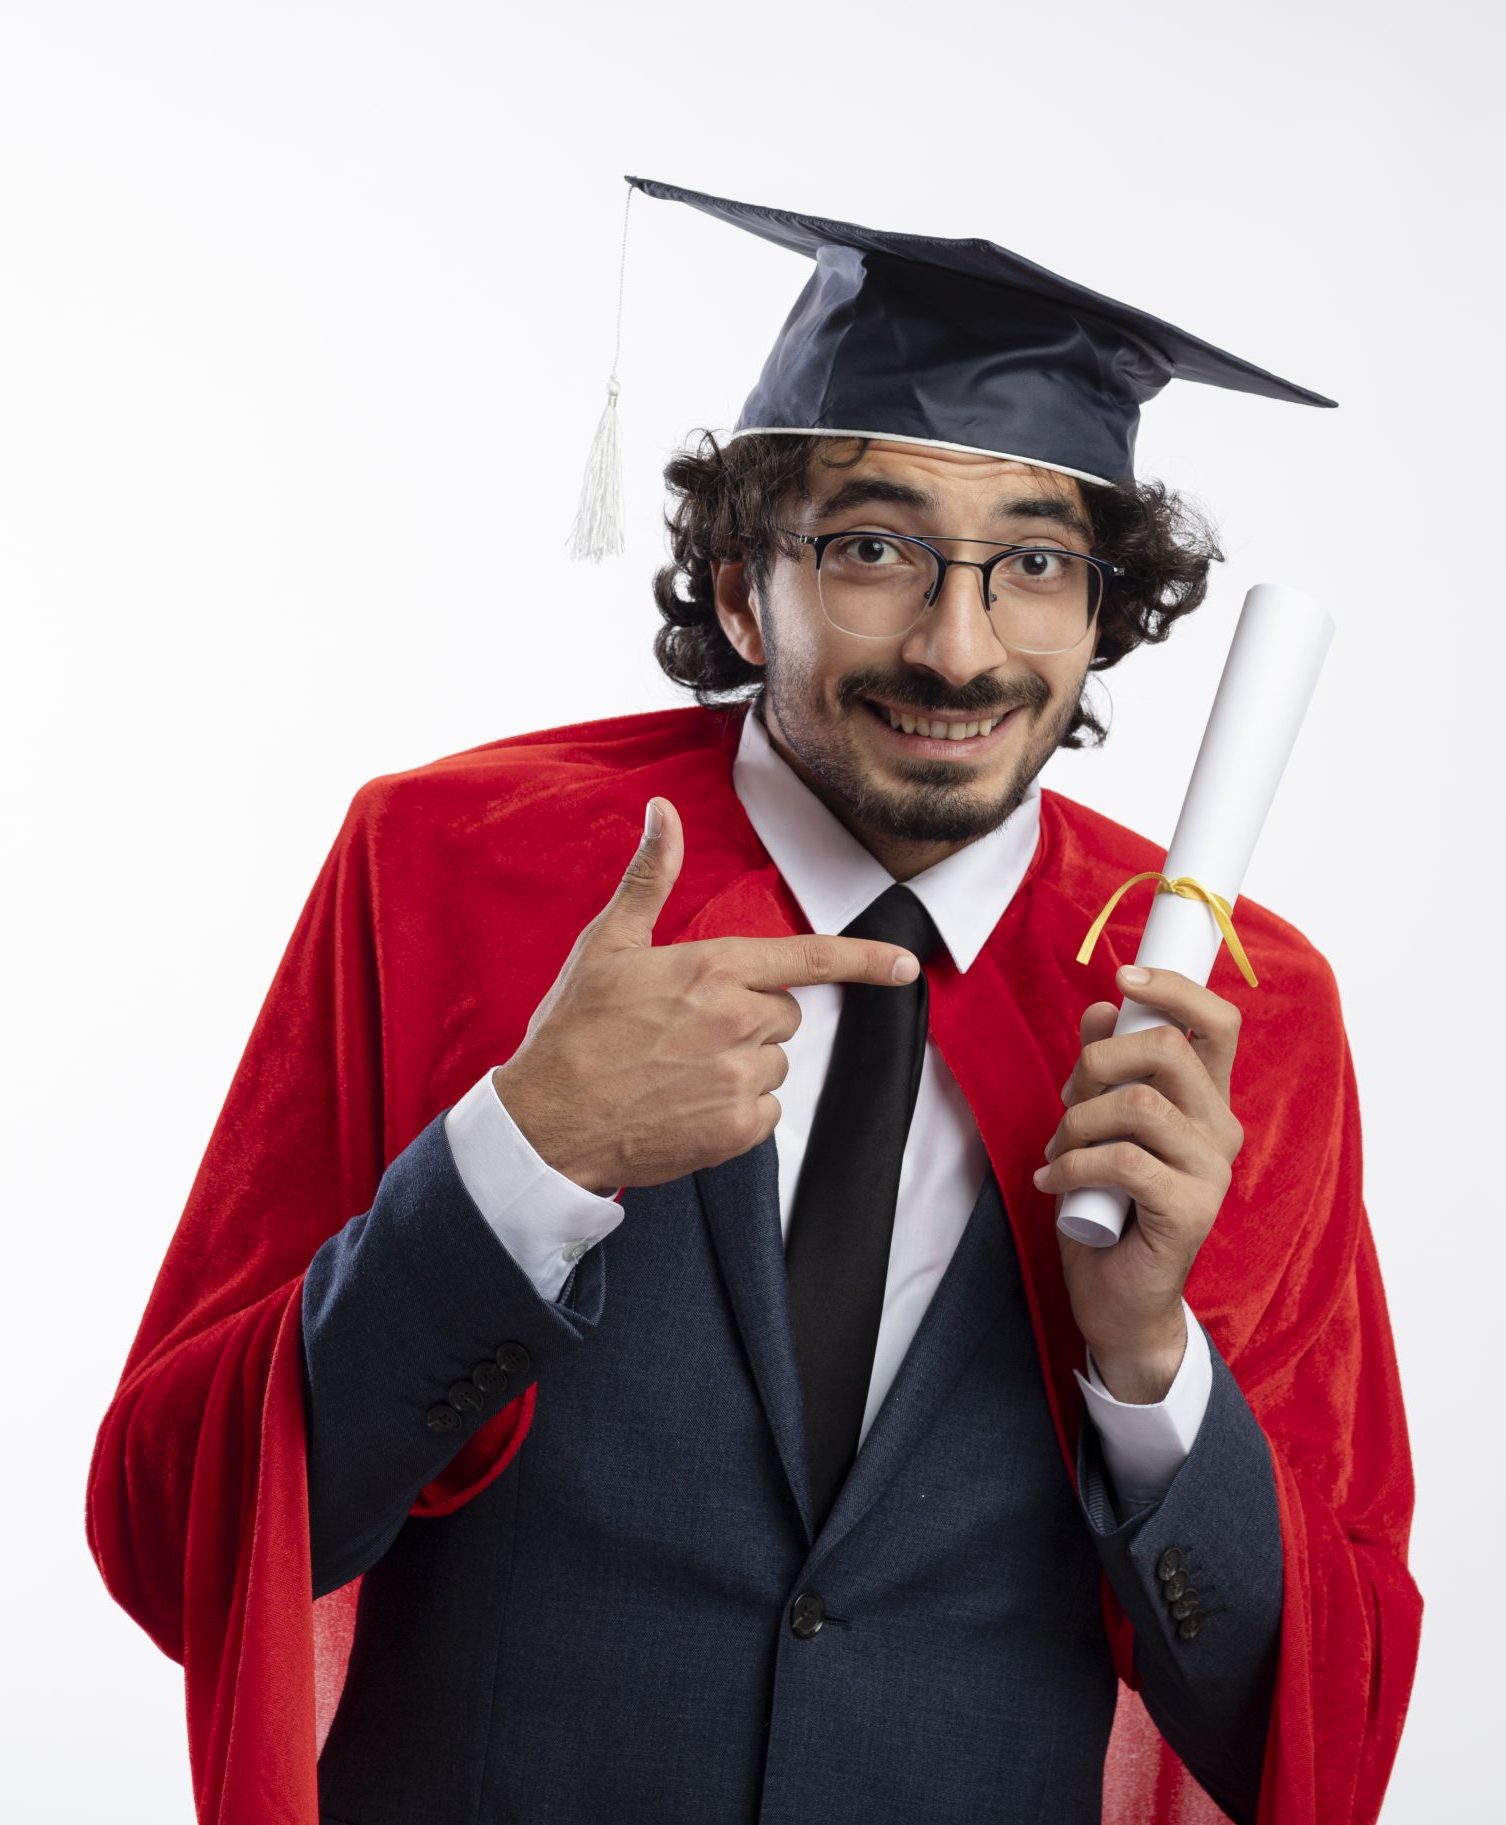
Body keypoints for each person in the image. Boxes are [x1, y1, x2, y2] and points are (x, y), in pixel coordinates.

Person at [86, 179, 1422, 1825]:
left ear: (1101, 611)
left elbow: (1323, 1725)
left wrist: (1147, 1363)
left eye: (1032, 562)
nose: (957, 647)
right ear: (737, 583)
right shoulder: (453, 867)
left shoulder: (1233, 1013)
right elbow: (177, 1536)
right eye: (872, 548)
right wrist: (519, 1161)